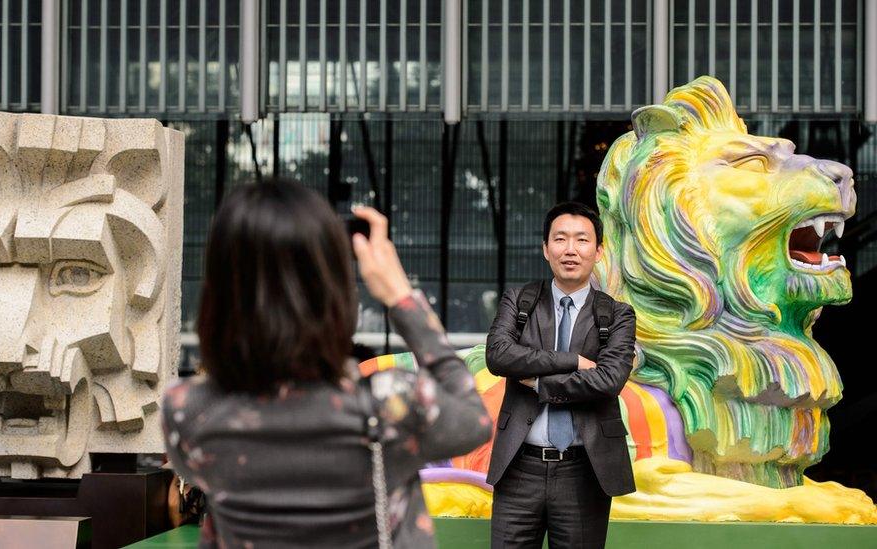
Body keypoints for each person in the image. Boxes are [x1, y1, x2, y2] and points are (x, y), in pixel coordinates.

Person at [161, 178, 491, 549]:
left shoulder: (186, 408)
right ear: (331, 288)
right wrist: (400, 296)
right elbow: (475, 422)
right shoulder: (390, 402)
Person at [485, 202, 637, 548]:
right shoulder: (519, 301)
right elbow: (498, 355)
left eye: (582, 240)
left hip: (584, 470)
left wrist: (538, 381)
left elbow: (608, 380)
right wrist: (571, 360)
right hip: (519, 468)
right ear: (545, 249)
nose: (570, 250)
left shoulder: (617, 316)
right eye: (560, 239)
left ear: (598, 251)